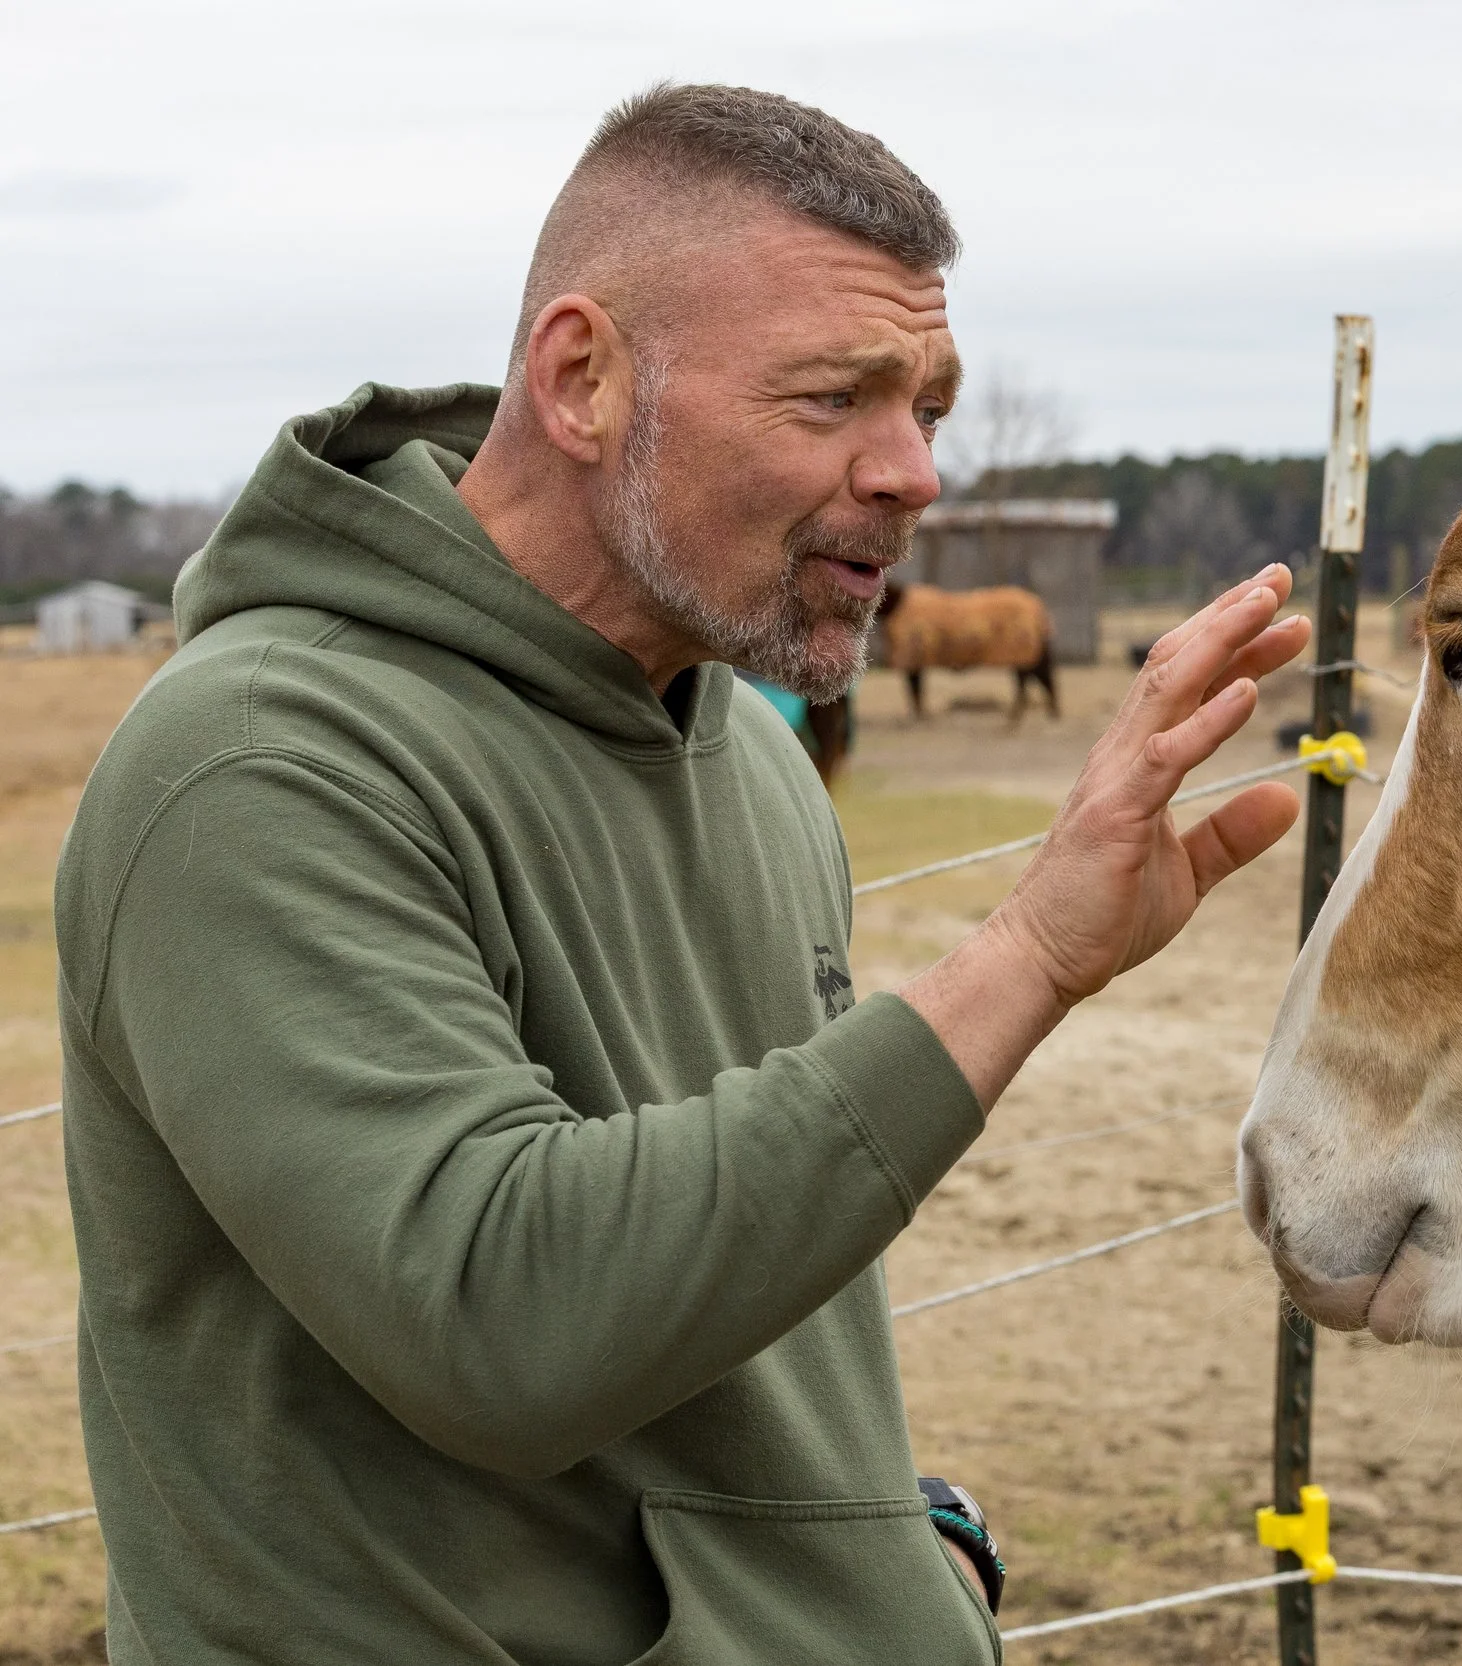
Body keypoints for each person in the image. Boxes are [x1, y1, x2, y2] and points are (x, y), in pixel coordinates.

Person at [52, 83, 1309, 1664]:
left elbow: (732, 1339)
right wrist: (1032, 953)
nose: (915, 470)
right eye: (837, 397)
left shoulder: (755, 756)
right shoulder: (261, 764)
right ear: (584, 379)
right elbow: (501, 1318)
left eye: (928, 401)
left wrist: (886, 1552)